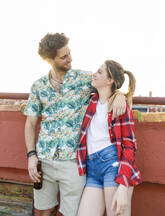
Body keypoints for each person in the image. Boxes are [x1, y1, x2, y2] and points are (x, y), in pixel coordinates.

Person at [24, 33, 126, 216]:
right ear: (49, 59)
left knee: (70, 213)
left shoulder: (83, 79)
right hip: (44, 160)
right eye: (63, 57)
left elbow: (110, 82)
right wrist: (31, 155)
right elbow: (30, 123)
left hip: (73, 162)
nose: (70, 59)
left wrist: (120, 95)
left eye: (69, 53)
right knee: (44, 210)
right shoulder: (38, 86)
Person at [77, 60, 142, 216]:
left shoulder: (120, 106)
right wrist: (120, 93)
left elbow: (129, 146)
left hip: (112, 167)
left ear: (109, 80)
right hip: (92, 168)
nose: (94, 73)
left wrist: (123, 185)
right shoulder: (91, 101)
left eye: (100, 72)